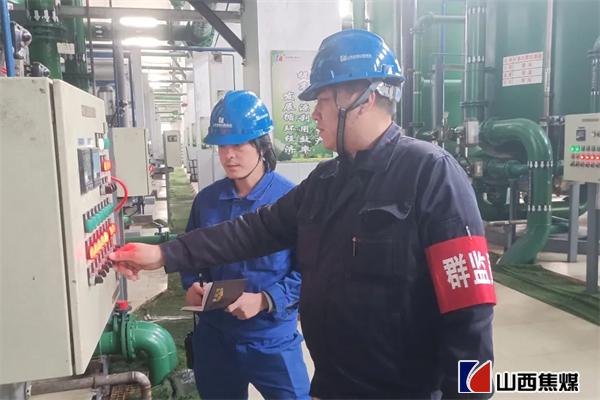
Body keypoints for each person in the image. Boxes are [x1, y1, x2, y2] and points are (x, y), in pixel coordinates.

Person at [111, 29, 496, 399]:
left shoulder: (430, 174)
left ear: (361, 99)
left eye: (322, 100)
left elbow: (472, 313)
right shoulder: (327, 181)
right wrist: (164, 254)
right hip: (334, 384)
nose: (314, 114)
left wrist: (468, 397)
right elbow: (253, 230)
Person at [180, 90, 310, 399]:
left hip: (271, 338)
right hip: (215, 336)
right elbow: (189, 254)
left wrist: (265, 299)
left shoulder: (290, 201)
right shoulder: (207, 202)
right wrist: (191, 285)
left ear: (262, 146)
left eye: (238, 145)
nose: (228, 156)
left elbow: (310, 270)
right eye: (222, 147)